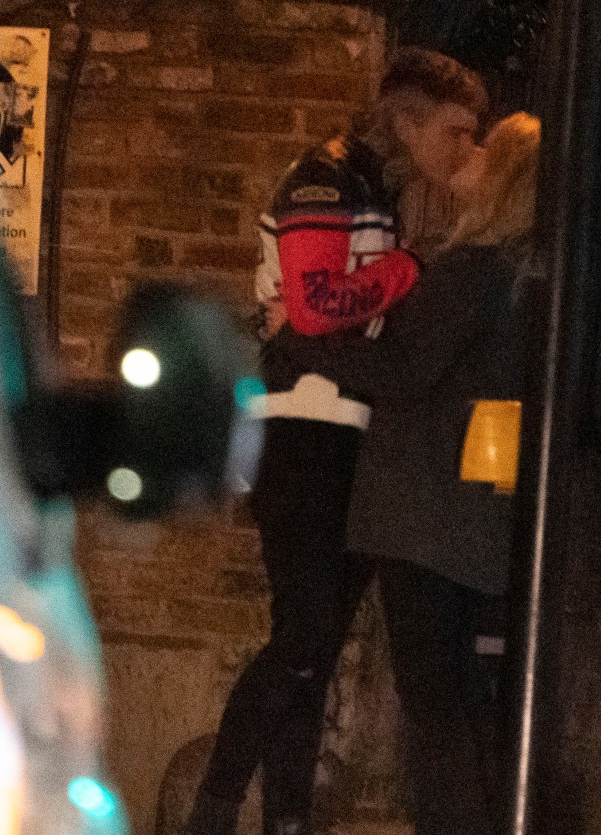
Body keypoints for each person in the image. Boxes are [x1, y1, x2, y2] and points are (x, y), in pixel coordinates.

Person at [185, 48, 487, 835]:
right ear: (408, 120)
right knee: (303, 635)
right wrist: (411, 268)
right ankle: (213, 806)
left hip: (347, 430)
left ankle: (286, 818)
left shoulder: (380, 190)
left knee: (316, 648)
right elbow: (316, 307)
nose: (464, 150)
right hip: (301, 425)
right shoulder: (326, 177)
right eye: (457, 131)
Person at [267, 111, 541, 835]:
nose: (471, 154)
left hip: (426, 509)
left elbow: (401, 370)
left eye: (488, 148)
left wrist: (297, 339)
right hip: (474, 504)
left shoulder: (474, 269)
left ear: (507, 177)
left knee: (433, 699)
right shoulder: (527, 270)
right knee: (463, 694)